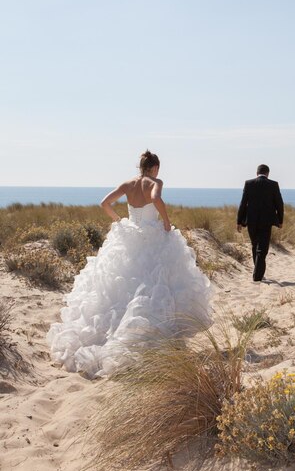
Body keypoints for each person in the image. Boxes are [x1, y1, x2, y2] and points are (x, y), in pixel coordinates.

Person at [47, 150, 212, 378]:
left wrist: (119, 221)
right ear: (154, 168)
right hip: (151, 235)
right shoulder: (155, 182)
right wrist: (166, 221)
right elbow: (155, 198)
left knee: (120, 286)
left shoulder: (127, 184)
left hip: (129, 235)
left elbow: (104, 203)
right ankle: (146, 339)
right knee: (151, 285)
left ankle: (107, 337)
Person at [237, 164, 284, 282]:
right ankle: (257, 276)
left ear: (256, 173)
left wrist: (239, 221)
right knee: (262, 249)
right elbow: (279, 203)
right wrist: (280, 220)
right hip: (266, 221)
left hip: (251, 221)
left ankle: (257, 271)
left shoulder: (249, 183)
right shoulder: (273, 184)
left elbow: (243, 203)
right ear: (268, 173)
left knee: (255, 245)